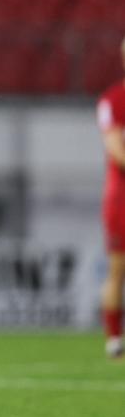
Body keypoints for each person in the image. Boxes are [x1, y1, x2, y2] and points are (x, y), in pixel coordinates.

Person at [97, 36, 125, 359]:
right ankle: (114, 338)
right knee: (118, 268)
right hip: (122, 199)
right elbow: (116, 150)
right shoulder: (113, 101)